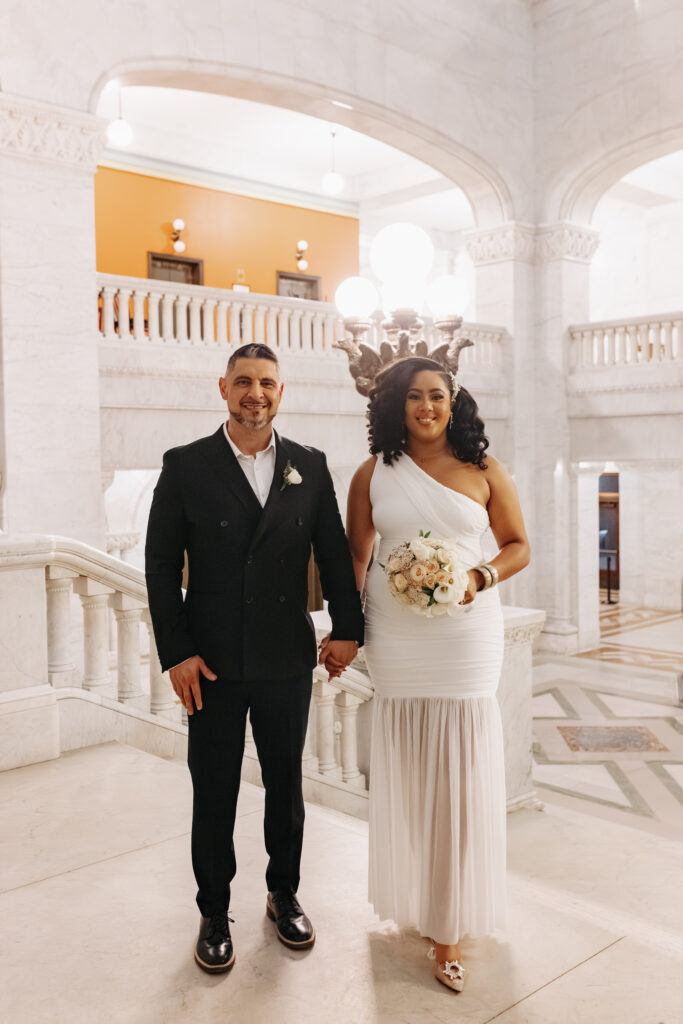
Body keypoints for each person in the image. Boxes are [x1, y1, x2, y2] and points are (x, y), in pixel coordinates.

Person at [145, 343, 363, 974]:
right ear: (223, 388)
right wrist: (177, 650)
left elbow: (335, 553)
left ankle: (284, 893)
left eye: (267, 383)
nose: (255, 394)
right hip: (209, 663)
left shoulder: (310, 466)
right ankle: (214, 911)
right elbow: (161, 567)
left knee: (286, 787)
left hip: (284, 657)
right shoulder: (185, 466)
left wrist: (347, 628)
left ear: (281, 391)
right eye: (244, 382)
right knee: (212, 792)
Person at [340, 355, 530, 992]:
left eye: (438, 397)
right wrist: (348, 632)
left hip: (466, 638)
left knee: (460, 782)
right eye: (415, 397)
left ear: (454, 403)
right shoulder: (372, 473)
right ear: (396, 405)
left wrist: (479, 574)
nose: (427, 407)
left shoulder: (483, 469)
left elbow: (517, 544)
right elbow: (355, 560)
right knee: (417, 779)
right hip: (398, 640)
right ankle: (426, 902)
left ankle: (449, 927)